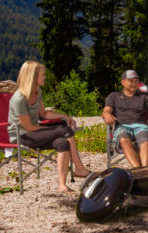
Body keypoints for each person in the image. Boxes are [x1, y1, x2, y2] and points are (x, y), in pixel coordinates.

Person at [8, 60, 91, 193]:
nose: (45, 77)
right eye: (42, 74)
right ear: (33, 77)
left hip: (36, 134)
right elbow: (29, 127)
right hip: (21, 136)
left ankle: (62, 185)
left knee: (62, 142)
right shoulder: (19, 99)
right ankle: (80, 168)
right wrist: (55, 130)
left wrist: (64, 116)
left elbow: (43, 114)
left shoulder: (37, 92)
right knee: (64, 130)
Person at [102, 70, 148, 168]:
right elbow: (106, 111)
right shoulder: (114, 96)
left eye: (136, 81)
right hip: (122, 126)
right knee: (123, 139)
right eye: (130, 81)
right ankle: (138, 169)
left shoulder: (144, 96)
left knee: (144, 139)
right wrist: (106, 115)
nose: (134, 83)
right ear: (123, 82)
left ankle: (144, 170)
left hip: (141, 126)